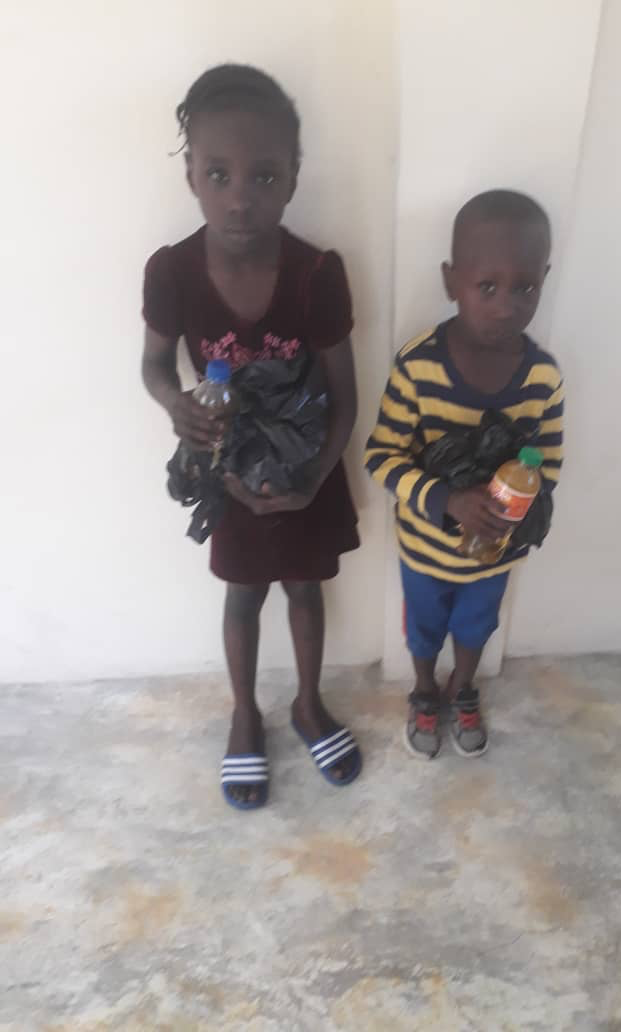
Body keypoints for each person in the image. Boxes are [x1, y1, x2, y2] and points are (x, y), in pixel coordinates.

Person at [141, 64, 362, 810]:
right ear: (192, 177)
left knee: (305, 588)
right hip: (228, 472)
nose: (240, 197)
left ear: (294, 177)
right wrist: (176, 404)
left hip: (306, 471)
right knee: (242, 596)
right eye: (219, 174)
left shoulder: (316, 274)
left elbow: (345, 396)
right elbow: (153, 367)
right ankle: (244, 713)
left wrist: (312, 482)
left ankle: (308, 704)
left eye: (264, 175)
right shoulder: (172, 272)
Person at [365, 190, 564, 760]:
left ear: (544, 281)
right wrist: (446, 498)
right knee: (424, 630)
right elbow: (381, 456)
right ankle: (425, 689)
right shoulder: (418, 366)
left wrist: (517, 504)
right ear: (451, 281)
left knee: (477, 627)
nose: (506, 307)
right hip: (425, 551)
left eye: (525, 288)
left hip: (495, 553)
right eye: (487, 287)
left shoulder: (543, 378)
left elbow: (548, 465)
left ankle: (463, 686)